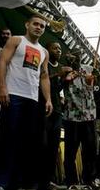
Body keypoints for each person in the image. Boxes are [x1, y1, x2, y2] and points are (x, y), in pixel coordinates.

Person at [0, 15, 53, 190]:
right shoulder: (16, 40)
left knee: (25, 143)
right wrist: (2, 87)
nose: (39, 27)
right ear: (27, 24)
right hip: (13, 94)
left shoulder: (44, 52)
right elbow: (2, 61)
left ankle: (15, 183)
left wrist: (48, 99)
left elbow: (44, 76)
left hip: (32, 99)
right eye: (36, 24)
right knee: (6, 139)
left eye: (42, 26)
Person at [62, 56, 98, 190]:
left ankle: (89, 180)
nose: (73, 59)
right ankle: (71, 182)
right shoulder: (64, 71)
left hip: (89, 116)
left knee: (90, 150)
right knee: (70, 151)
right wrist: (66, 79)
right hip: (71, 117)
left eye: (76, 57)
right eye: (70, 57)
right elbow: (59, 85)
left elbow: (99, 78)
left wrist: (92, 78)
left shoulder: (88, 69)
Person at [38, 41, 71, 190]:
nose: (58, 50)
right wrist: (59, 74)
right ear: (47, 50)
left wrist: (65, 80)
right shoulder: (44, 63)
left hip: (57, 110)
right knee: (42, 145)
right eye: (55, 48)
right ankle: (37, 180)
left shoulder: (60, 67)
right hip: (42, 107)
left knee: (53, 146)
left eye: (59, 48)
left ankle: (48, 180)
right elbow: (40, 81)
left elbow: (57, 88)